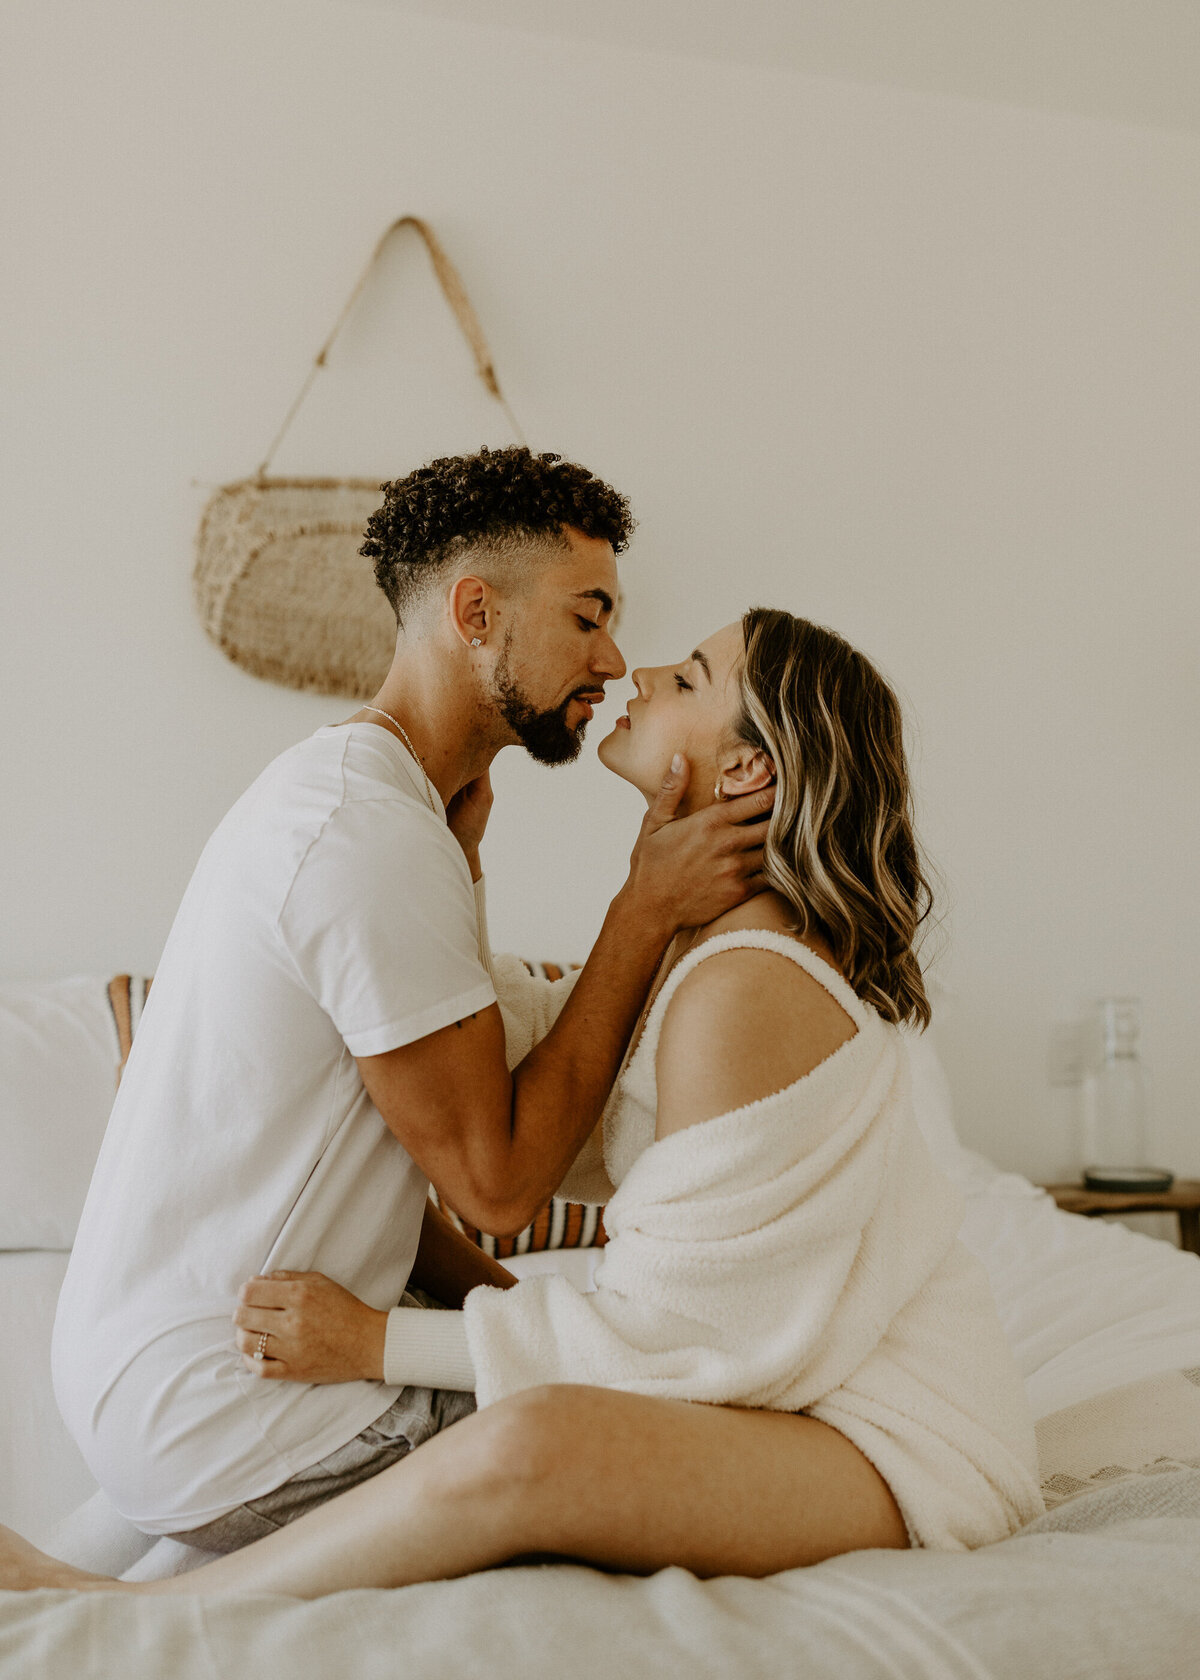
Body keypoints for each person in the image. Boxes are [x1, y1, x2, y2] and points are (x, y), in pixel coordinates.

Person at [2, 608, 1046, 1598]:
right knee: (424, 1390)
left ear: (745, 769)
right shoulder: (706, 944)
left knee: (535, 1440)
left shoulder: (749, 983)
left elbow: (674, 1336)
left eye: (686, 678)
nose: (634, 671)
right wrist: (460, 869)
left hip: (889, 1442)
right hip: (786, 1399)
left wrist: (374, 1343)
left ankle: (127, 1611)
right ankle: (69, 1567)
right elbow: (527, 1062)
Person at [44, 448, 773, 1554]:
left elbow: (389, 1163)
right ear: (475, 612)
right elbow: (497, 1179)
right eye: (590, 616)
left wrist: (519, 1311)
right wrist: (643, 911)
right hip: (237, 1414)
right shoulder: (369, 836)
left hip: (151, 1387)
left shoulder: (371, 805)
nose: (616, 658)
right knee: (710, 1447)